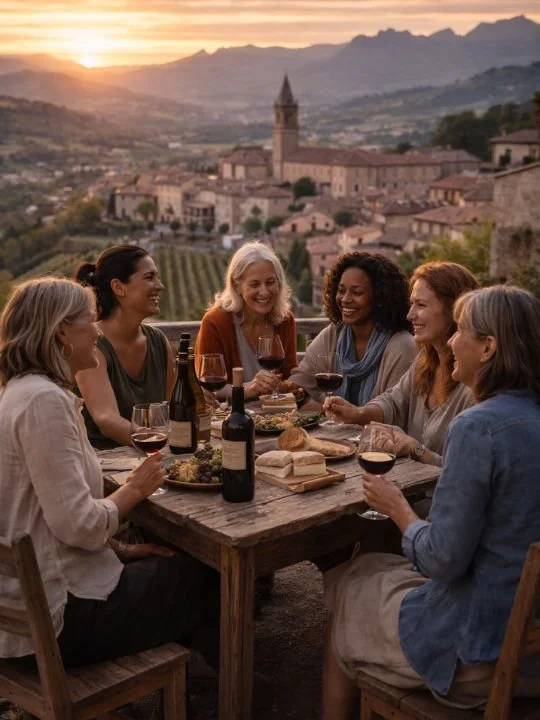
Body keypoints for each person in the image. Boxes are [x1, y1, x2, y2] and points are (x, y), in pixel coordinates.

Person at [322, 285, 540, 719]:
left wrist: (398, 508)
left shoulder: (477, 427)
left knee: (347, 595)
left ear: (489, 347)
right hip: (529, 644)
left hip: (479, 655)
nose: (453, 341)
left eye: (461, 330)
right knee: (362, 568)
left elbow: (443, 560)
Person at [0, 277, 219, 670]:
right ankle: (226, 689)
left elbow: (43, 516)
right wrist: (134, 489)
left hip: (29, 609)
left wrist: (122, 550)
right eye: (89, 320)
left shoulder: (19, 391)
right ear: (62, 331)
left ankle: (192, 680)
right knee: (207, 573)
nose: (97, 330)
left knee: (167, 563)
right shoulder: (43, 403)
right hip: (61, 620)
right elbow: (80, 526)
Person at [325, 261, 479, 466]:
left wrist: (415, 449)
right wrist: (357, 413)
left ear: (455, 311)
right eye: (412, 303)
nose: (410, 315)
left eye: (421, 305)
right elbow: (393, 401)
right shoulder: (425, 361)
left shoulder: (473, 382)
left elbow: (466, 476)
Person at [74, 245, 174, 449]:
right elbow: (107, 419)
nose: (160, 285)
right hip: (103, 465)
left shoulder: (158, 341)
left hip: (151, 458)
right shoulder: (92, 345)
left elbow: (171, 407)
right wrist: (160, 443)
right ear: (119, 287)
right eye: (149, 277)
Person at [289, 252, 416, 406]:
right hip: (335, 429)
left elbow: (395, 411)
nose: (345, 299)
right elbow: (301, 381)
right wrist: (287, 389)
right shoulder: (334, 334)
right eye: (341, 291)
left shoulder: (402, 346)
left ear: (380, 298)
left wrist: (346, 413)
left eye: (357, 292)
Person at [195, 241, 297, 400]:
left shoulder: (285, 320)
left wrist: (282, 385)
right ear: (237, 287)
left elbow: (289, 377)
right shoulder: (215, 322)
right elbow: (207, 387)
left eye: (270, 282)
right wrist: (248, 389)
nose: (264, 292)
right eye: (255, 284)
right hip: (230, 419)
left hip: (275, 418)